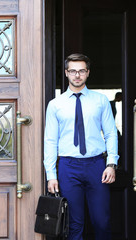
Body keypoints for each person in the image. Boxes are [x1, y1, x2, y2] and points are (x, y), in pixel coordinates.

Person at [44, 53, 119, 240]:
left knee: (101, 220)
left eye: (81, 71)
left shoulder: (101, 101)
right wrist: (51, 175)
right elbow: (50, 141)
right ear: (67, 73)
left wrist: (111, 164)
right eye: (73, 71)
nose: (77, 75)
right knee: (73, 224)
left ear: (88, 73)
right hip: (68, 167)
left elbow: (110, 133)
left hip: (96, 166)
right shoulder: (55, 105)